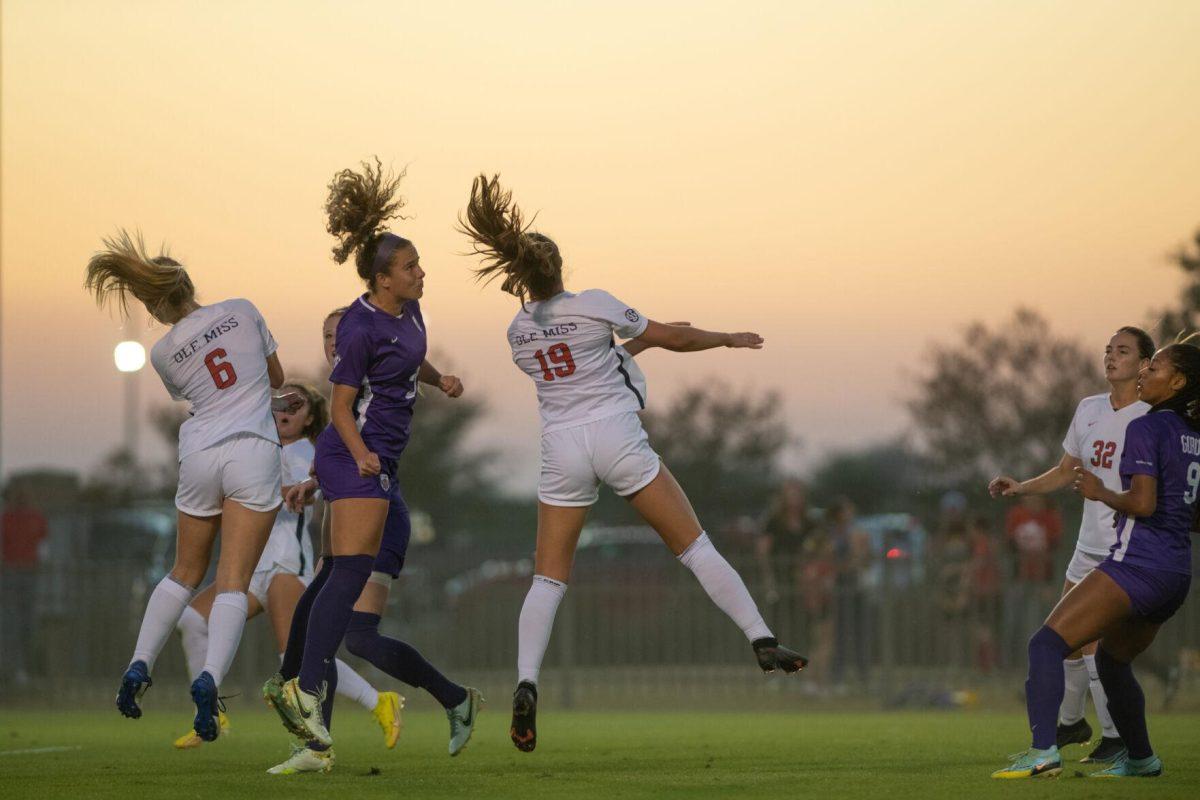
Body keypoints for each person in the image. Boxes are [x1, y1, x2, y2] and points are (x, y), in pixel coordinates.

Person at [459, 173, 807, 753]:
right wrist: (723, 338)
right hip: (617, 438)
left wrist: (633, 346)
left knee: (547, 578)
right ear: (561, 268)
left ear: (519, 275)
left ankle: (526, 682)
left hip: (563, 447)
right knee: (695, 548)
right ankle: (761, 638)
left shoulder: (518, 331)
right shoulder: (594, 302)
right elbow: (672, 337)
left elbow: (579, 363)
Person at [266, 160, 481, 768]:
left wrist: (439, 379)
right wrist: (362, 457)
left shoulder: (410, 312)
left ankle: (302, 698)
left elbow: (409, 359)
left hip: (372, 461)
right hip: (357, 456)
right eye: (411, 266)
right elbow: (337, 408)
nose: (421, 272)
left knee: (339, 581)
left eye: (418, 263)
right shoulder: (360, 327)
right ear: (383, 280)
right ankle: (304, 693)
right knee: (347, 572)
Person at [85, 230, 301, 741]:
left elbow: (197, 392)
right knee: (233, 580)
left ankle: (139, 664)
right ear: (189, 283)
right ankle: (209, 679)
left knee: (183, 570)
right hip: (251, 449)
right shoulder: (243, 309)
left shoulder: (162, 353)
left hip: (200, 453)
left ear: (153, 305)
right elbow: (277, 377)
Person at [992, 341, 1197, 779]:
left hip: (1135, 563)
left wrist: (1100, 492)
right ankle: (1140, 758)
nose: (1146, 371)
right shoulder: (1191, 435)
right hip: (1175, 574)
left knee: (1045, 644)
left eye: (1155, 365)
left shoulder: (1147, 425)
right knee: (1110, 661)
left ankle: (1044, 751)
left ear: (1177, 381)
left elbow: (1142, 504)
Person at [171, 382, 401, 752]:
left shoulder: (306, 451)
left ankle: (378, 702)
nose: (285, 410)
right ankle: (210, 713)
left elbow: (312, 493)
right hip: (252, 566)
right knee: (192, 621)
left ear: (310, 417)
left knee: (295, 658)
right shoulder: (261, 449)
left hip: (285, 564)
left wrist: (253, 490)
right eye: (280, 403)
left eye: (296, 405)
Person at [0, 486, 48, 686]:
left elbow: (44, 546)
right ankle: (12, 670)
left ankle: (25, 670)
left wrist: (38, 564)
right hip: (11, 573)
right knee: (11, 624)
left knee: (28, 624)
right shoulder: (6, 519)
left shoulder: (36, 518)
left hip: (28, 572)